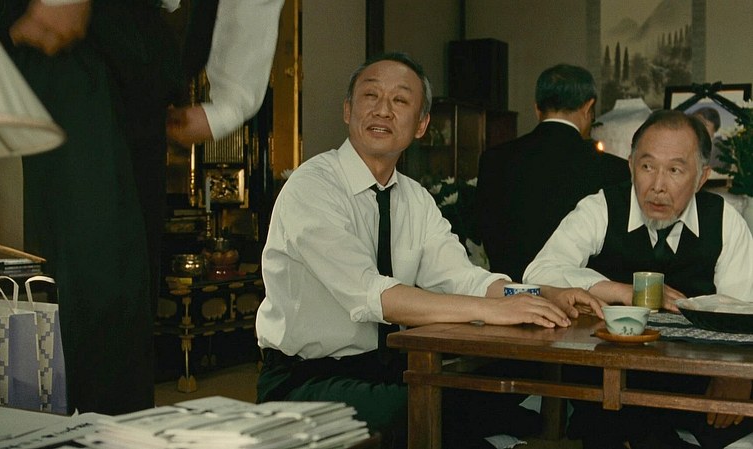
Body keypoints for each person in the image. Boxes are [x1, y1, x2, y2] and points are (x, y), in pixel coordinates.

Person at [255, 52, 606, 449]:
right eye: (370, 96)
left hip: (388, 370)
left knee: (495, 401)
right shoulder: (312, 186)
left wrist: (541, 294)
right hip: (305, 380)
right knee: (425, 411)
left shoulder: (414, 198)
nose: (383, 110)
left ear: (421, 125)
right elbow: (373, 295)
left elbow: (466, 278)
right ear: (348, 110)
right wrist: (493, 311)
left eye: (400, 100)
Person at [0, 0, 282, 414]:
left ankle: (115, 430)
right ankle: (93, 432)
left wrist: (231, 103)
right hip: (74, 34)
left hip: (147, 48)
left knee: (132, 288)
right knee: (99, 272)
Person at [525, 110, 753, 449]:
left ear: (702, 177)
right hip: (608, 382)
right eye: (647, 166)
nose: (658, 186)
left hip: (693, 384)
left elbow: (743, 311)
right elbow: (539, 271)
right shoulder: (601, 207)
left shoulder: (724, 221)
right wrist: (618, 290)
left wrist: (736, 376)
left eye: (675, 170)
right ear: (631, 165)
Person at [474, 63, 630, 282]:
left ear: (537, 108)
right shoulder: (614, 169)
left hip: (507, 292)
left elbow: (485, 230)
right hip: (578, 297)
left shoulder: (494, 159)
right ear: (588, 107)